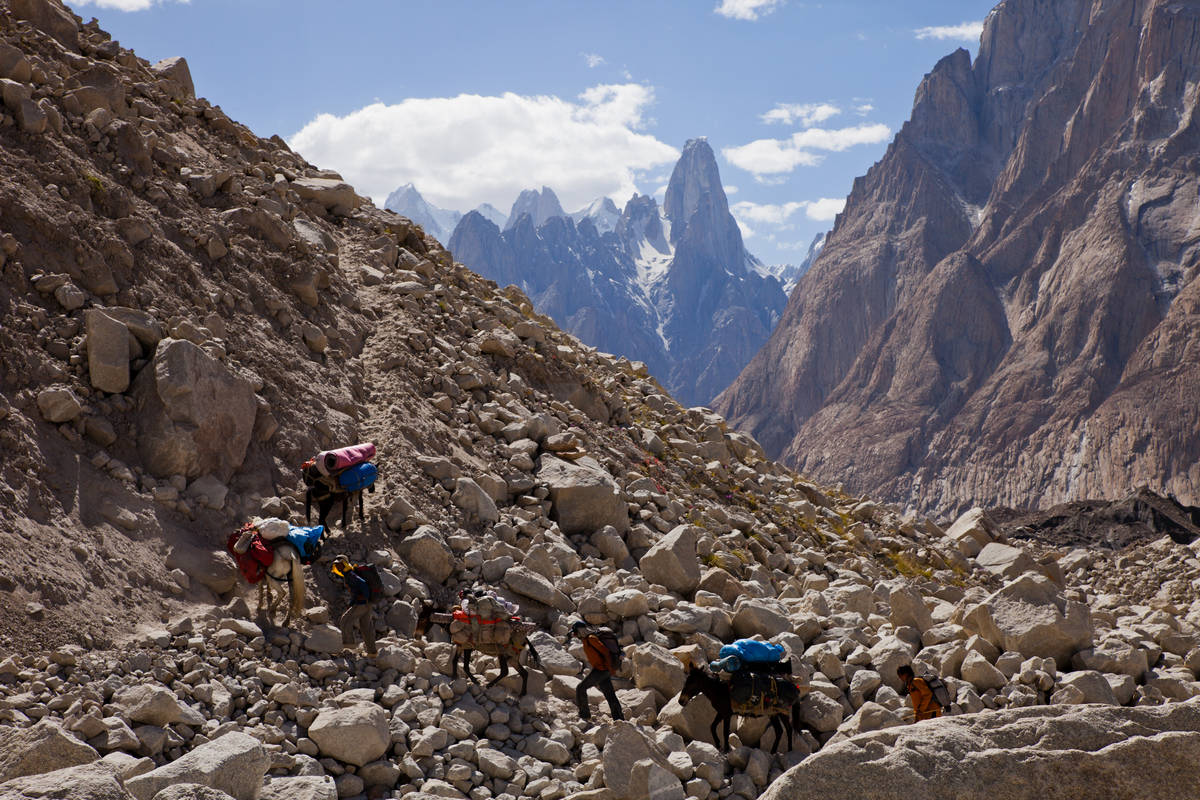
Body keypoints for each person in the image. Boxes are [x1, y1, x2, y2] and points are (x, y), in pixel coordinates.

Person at [569, 620, 625, 725]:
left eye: (576, 632)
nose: (575, 634)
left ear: (581, 630)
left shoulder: (591, 639)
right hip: (602, 669)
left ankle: (584, 715)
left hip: (601, 670)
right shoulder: (586, 639)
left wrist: (610, 668)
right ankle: (619, 719)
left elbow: (605, 652)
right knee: (610, 695)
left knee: (581, 688)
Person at [331, 555, 376, 657]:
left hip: (362, 603)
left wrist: (363, 598)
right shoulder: (349, 574)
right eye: (337, 565)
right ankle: (372, 653)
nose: (338, 567)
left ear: (345, 564)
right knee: (366, 627)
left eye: (340, 565)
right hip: (367, 603)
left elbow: (363, 584)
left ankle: (349, 649)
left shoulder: (350, 575)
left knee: (345, 621)